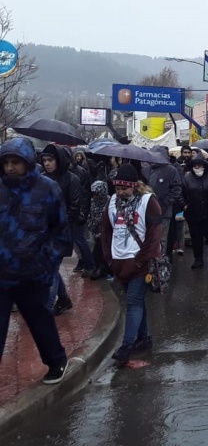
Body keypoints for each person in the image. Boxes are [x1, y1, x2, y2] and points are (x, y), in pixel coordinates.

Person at [0, 137, 72, 384]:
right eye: (6, 162)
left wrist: (45, 264)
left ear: (28, 163)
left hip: (33, 274)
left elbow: (61, 233)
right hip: (1, 274)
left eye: (16, 162)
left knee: (40, 321)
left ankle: (56, 361)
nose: (10, 168)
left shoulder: (47, 189)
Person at [101, 163, 162, 364]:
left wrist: (139, 261)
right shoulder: (112, 201)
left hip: (139, 263)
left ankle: (127, 345)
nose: (120, 192)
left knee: (133, 302)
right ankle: (144, 338)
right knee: (137, 302)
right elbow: (106, 231)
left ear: (134, 186)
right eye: (117, 189)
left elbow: (154, 236)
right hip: (119, 262)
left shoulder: (148, 201)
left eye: (124, 188)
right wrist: (109, 258)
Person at [41, 144, 87, 314]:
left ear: (58, 161)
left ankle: (47, 306)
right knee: (50, 266)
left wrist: (58, 224)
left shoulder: (71, 179)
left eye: (50, 160)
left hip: (62, 232)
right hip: (43, 232)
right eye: (44, 160)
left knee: (51, 267)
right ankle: (64, 298)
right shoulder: (41, 178)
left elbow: (74, 207)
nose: (47, 163)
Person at [142, 146, 184, 257]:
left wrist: (166, 202)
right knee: (147, 237)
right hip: (146, 211)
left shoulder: (171, 170)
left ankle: (161, 264)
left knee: (161, 239)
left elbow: (177, 188)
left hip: (164, 211)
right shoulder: (145, 170)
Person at [182, 156, 208, 268]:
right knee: (196, 237)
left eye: (200, 165)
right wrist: (184, 205)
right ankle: (198, 258)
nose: (197, 167)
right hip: (193, 213)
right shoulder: (187, 178)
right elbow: (181, 193)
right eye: (195, 165)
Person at [88, 180, 113, 281]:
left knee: (103, 252)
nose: (95, 196)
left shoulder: (110, 202)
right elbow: (90, 214)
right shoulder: (93, 202)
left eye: (97, 193)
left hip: (106, 233)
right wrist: (90, 223)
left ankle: (107, 270)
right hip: (94, 230)